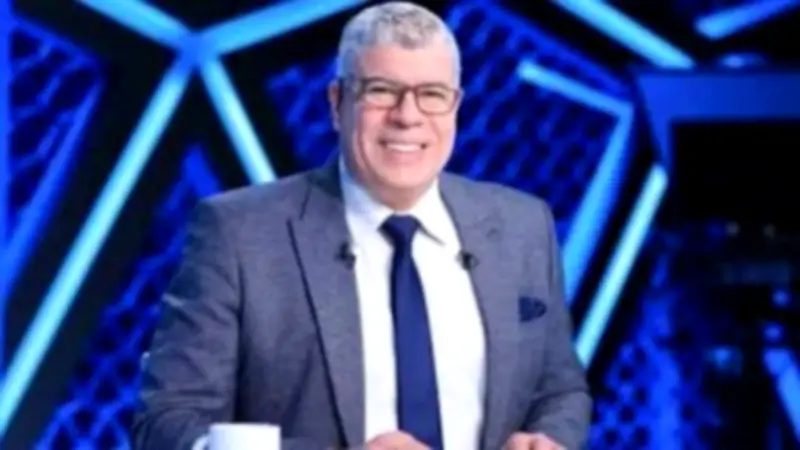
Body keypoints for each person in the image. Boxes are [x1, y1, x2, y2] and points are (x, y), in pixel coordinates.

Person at [132, 2, 591, 449]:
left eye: (432, 94)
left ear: (455, 106)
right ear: (338, 103)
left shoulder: (523, 225)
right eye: (381, 91)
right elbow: (167, 423)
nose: (408, 116)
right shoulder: (240, 232)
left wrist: (548, 438)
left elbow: (560, 391)